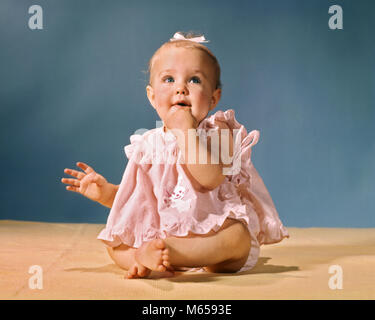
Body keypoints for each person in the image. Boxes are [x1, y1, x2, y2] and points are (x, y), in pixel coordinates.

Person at [61, 31, 289, 279]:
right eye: (168, 79)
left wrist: (186, 132)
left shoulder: (220, 132)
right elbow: (138, 198)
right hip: (162, 233)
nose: (181, 88)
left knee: (238, 237)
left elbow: (210, 179)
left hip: (211, 233)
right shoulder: (148, 144)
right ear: (152, 96)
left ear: (214, 98)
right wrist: (106, 193)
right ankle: (144, 256)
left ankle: (177, 254)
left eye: (194, 80)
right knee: (115, 245)